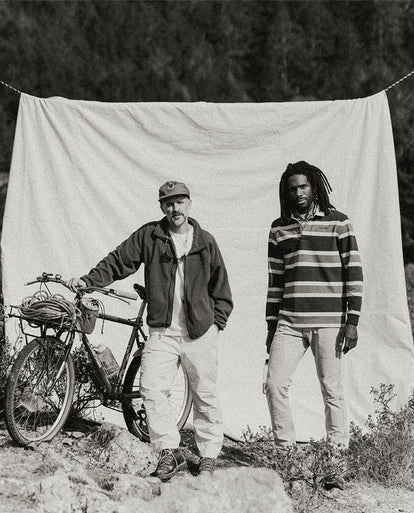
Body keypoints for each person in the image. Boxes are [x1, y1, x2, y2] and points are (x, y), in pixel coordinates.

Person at [68, 180, 233, 480]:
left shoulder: (205, 242)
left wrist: (215, 324)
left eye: (180, 201)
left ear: (189, 204)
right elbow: (119, 261)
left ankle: (208, 456)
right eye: (168, 203)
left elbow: (221, 288)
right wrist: (89, 280)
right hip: (163, 330)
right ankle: (169, 450)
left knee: (205, 393)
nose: (175, 208)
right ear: (161, 207)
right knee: (151, 389)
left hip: (199, 332)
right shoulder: (151, 235)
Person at [265, 161, 363, 453]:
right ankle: (286, 455)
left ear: (314, 187)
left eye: (303, 186)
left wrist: (352, 320)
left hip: (329, 321)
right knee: (274, 385)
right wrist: (272, 327)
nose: (298, 193)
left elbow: (354, 273)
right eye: (293, 188)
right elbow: (275, 282)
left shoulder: (339, 222)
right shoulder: (278, 229)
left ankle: (336, 460)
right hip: (289, 322)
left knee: (331, 391)